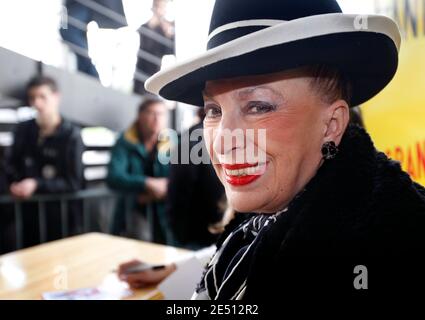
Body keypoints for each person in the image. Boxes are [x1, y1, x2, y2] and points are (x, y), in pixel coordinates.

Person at [145, 0, 425, 299]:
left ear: (331, 124)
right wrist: (180, 269)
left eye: (258, 106)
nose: (221, 141)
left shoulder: (400, 242)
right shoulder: (278, 208)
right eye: (213, 110)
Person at [4, 76, 84, 248]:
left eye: (42, 97)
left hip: (61, 219)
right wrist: (14, 184)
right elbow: (10, 164)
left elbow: (74, 182)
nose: (37, 103)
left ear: (56, 97)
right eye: (32, 98)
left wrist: (36, 184)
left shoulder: (71, 135)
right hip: (28, 216)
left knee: (60, 266)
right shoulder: (24, 129)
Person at [107, 97, 172, 245]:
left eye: (161, 114)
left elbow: (178, 179)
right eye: (151, 113)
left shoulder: (172, 143)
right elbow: (114, 177)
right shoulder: (124, 142)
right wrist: (147, 183)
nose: (157, 119)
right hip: (131, 212)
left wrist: (156, 192)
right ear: (140, 115)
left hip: (165, 214)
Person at [165, 109, 225, 250]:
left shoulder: (190, 138)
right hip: (222, 229)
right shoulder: (230, 135)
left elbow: (177, 189)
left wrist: (175, 227)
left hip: (195, 232)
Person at [60, 0, 127, 78]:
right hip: (70, 6)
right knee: (71, 32)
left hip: (82, 4)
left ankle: (92, 72)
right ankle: (86, 72)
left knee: (66, 31)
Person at [133, 0, 175, 95]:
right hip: (142, 66)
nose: (163, 10)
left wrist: (168, 35)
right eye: (161, 7)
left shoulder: (164, 29)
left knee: (151, 90)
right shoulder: (146, 26)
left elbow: (169, 51)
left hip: (155, 69)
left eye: (164, 7)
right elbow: (145, 45)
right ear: (154, 8)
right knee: (139, 90)